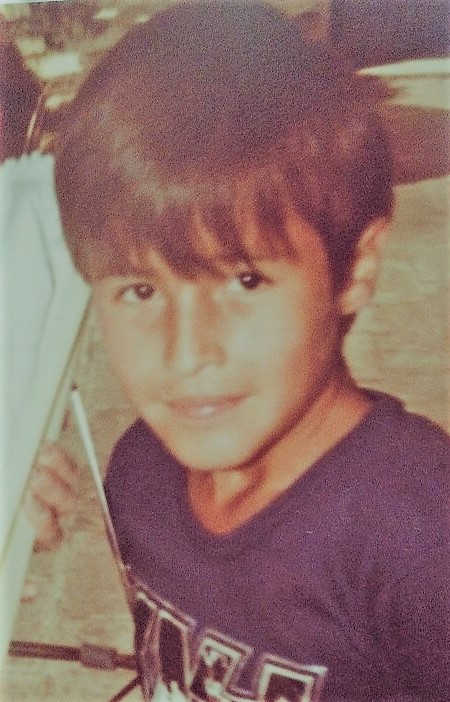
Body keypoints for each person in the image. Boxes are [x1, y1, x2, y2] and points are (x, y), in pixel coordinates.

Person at [26, 2, 450, 701]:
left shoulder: (420, 532)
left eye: (245, 280)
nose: (186, 352)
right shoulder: (139, 474)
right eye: (139, 290)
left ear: (355, 267)